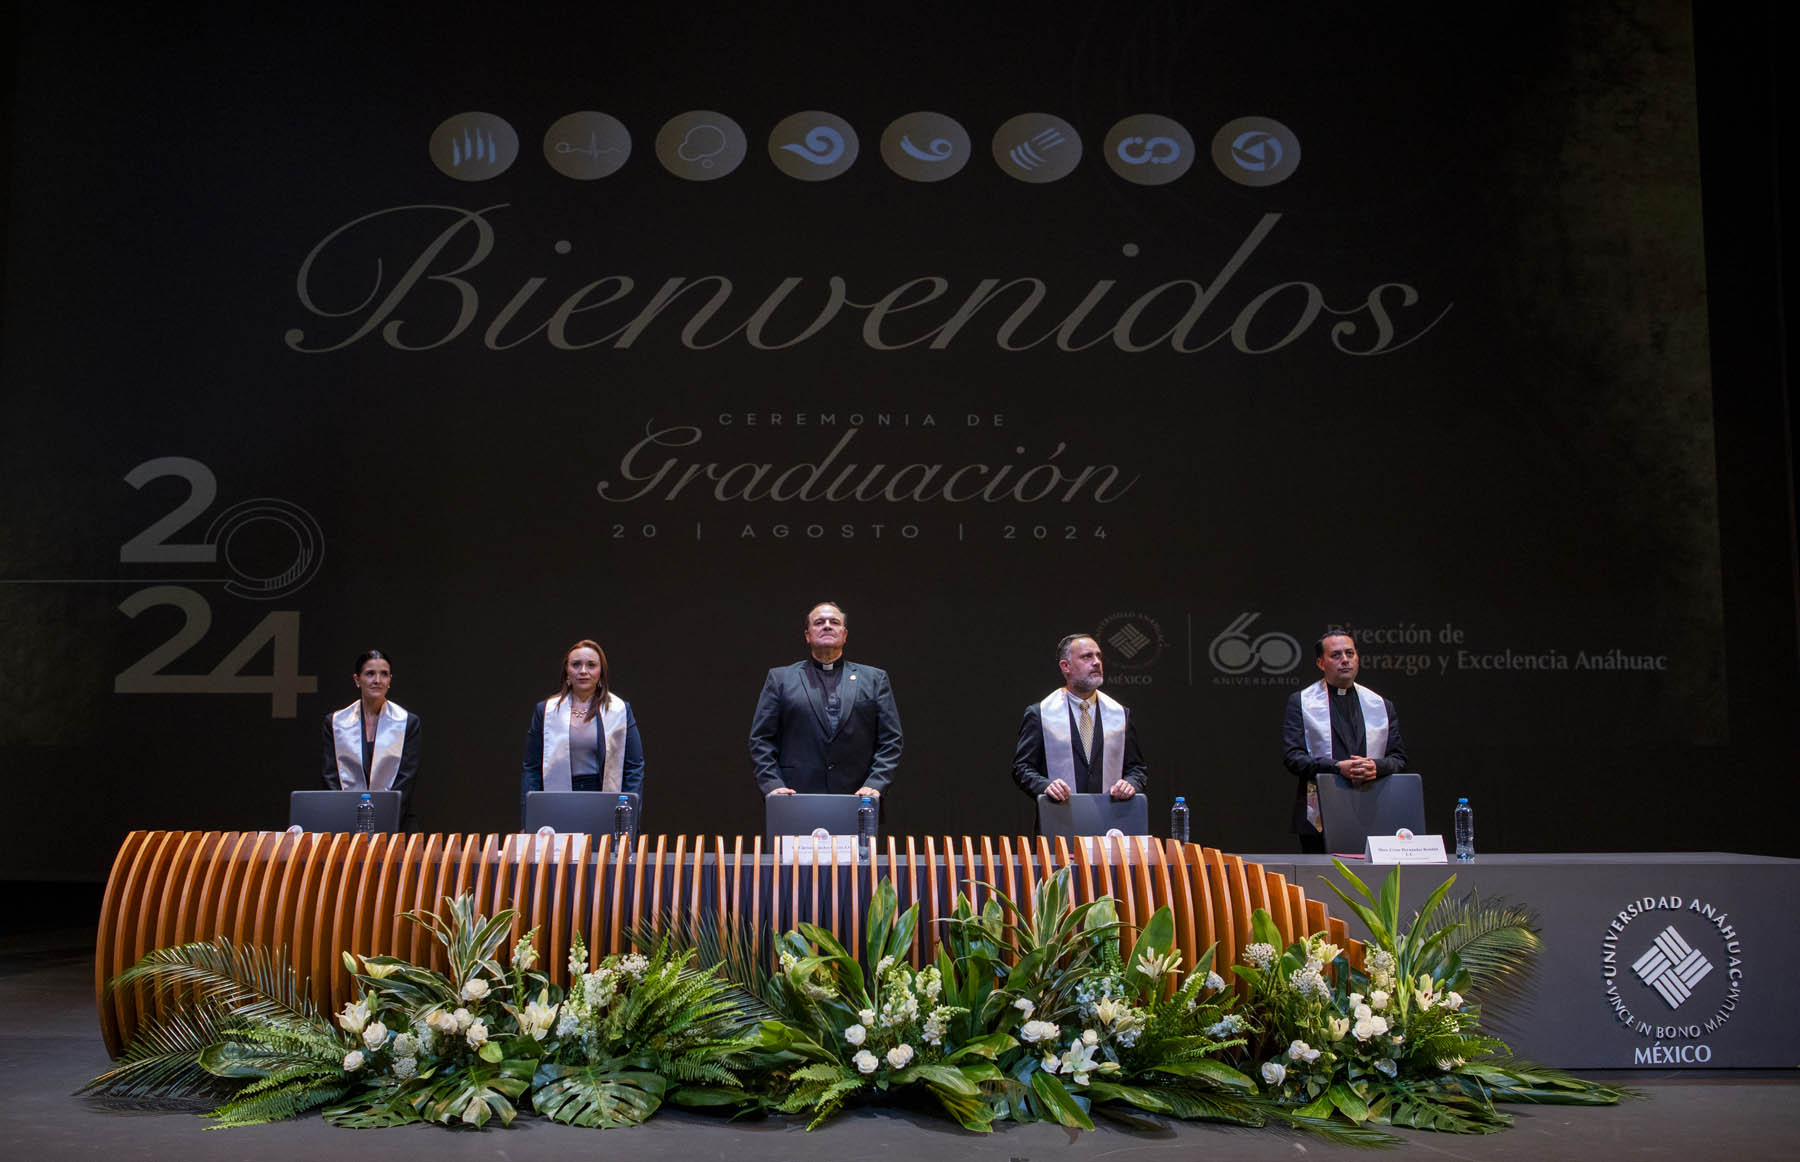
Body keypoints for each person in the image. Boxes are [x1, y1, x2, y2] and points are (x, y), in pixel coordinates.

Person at [748, 601, 902, 798]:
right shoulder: (781, 679)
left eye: (835, 622)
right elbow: (761, 739)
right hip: (793, 798)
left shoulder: (874, 679)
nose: (827, 625)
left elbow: (891, 740)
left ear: (845, 635)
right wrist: (772, 784)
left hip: (858, 797)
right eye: (819, 622)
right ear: (807, 635)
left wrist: (875, 783)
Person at [1282, 631, 1409, 853]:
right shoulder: (1302, 702)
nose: (1345, 660)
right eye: (1336, 655)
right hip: (1319, 814)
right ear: (1321, 663)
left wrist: (1376, 767)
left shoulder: (1380, 705)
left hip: (1372, 809)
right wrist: (1337, 768)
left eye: (1350, 653)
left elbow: (1398, 758)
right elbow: (1293, 758)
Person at [1013, 633, 1148, 803]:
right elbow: (1022, 768)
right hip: (1059, 817)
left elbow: (1136, 769)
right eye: (1086, 656)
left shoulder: (1119, 714)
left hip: (1111, 818)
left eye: (1098, 656)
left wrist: (1130, 784)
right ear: (1065, 666)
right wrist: (1044, 786)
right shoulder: (1040, 714)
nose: (1096, 662)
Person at [520, 639, 645, 822]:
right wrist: (528, 819)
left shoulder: (619, 710)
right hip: (558, 798)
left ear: (601, 672)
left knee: (600, 850)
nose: (583, 671)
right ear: (567, 671)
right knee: (562, 850)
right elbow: (531, 769)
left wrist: (629, 817)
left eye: (591, 665)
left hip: (603, 796)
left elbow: (634, 768)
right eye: (576, 665)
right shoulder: (546, 711)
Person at [321, 649, 421, 815]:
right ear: (357, 679)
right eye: (370, 674)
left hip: (395, 819)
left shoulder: (407, 722)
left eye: (384, 674)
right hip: (345, 818)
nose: (377, 680)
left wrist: (384, 815)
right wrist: (344, 813)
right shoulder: (335, 723)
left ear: (390, 680)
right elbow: (330, 776)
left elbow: (406, 779)